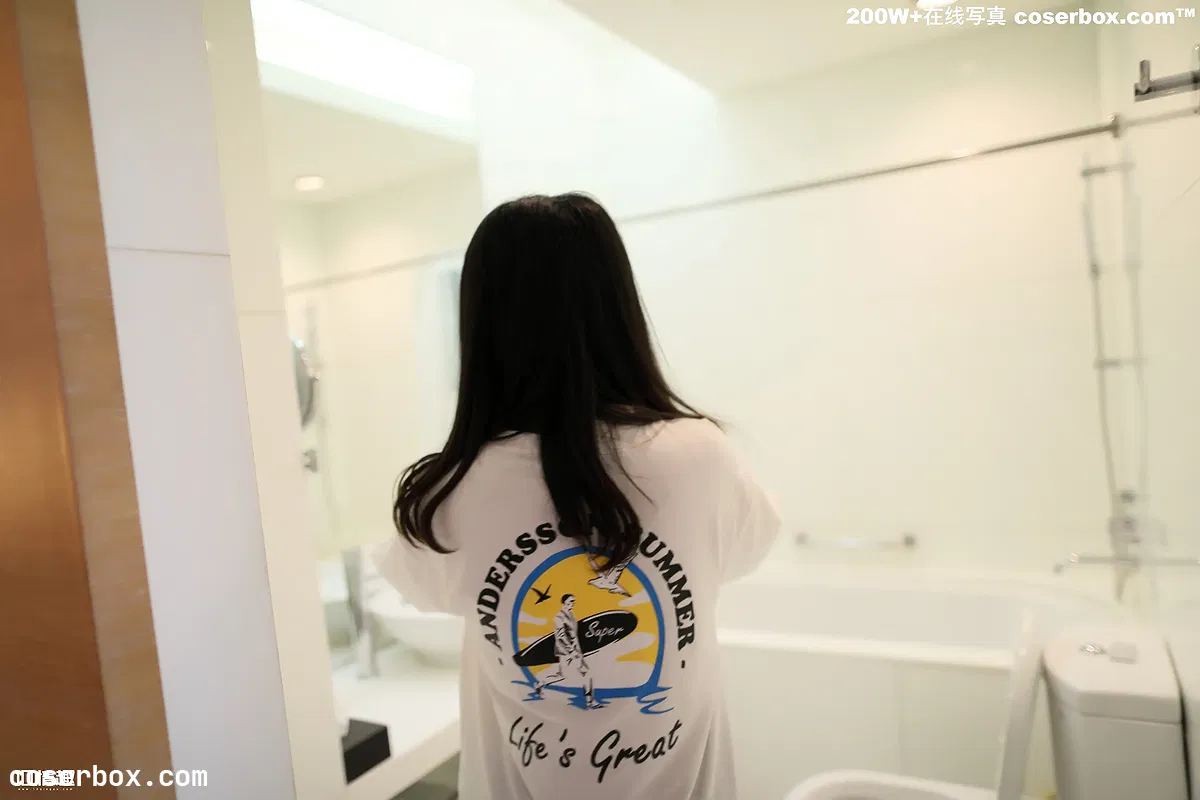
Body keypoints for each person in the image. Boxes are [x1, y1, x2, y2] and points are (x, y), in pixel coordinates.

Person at [376, 193, 780, 800]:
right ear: (619, 307)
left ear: (481, 324)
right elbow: (743, 551)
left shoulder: (452, 492)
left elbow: (419, 587)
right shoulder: (701, 455)